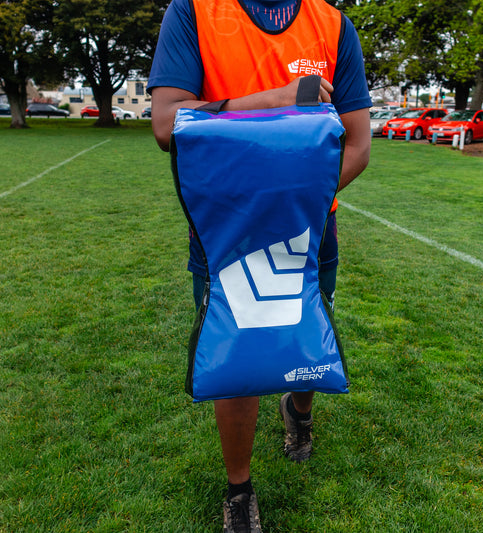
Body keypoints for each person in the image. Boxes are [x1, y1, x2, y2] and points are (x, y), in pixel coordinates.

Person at [147, 0, 372, 530]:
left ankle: (299, 411)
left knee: (304, 334)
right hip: (226, 230)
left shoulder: (334, 24)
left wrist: (297, 206)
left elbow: (358, 144)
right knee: (238, 354)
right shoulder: (193, 11)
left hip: (311, 228)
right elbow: (165, 123)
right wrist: (274, 100)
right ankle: (239, 488)